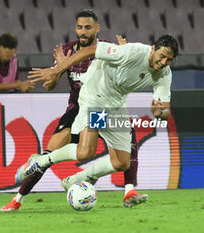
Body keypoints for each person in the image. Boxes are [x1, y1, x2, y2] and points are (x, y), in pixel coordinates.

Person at [0, 10, 147, 211]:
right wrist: (56, 72)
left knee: (128, 135)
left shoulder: (107, 49)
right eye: (79, 27)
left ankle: (129, 191)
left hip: (101, 106)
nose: (83, 32)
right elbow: (51, 85)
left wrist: (125, 55)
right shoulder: (68, 50)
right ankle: (17, 199)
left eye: (88, 27)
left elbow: (124, 73)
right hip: (77, 108)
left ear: (97, 28)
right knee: (50, 152)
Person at [15, 34, 178, 209]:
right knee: (86, 151)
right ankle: (41, 161)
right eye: (162, 56)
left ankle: (75, 180)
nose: (163, 62)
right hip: (96, 96)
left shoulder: (164, 73)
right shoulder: (131, 52)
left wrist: (159, 113)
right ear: (153, 48)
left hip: (116, 104)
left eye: (169, 59)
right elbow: (90, 50)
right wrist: (56, 70)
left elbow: (165, 111)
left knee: (122, 162)